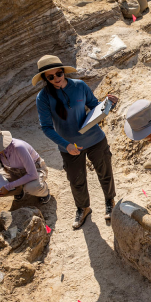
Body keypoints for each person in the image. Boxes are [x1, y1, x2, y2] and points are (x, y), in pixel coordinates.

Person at [33, 55, 118, 229]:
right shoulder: (43, 97)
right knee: (76, 180)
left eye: (59, 73)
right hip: (70, 146)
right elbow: (47, 127)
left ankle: (110, 201)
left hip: (95, 139)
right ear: (45, 79)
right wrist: (66, 145)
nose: (57, 78)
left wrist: (109, 105)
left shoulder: (80, 86)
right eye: (51, 77)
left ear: (63, 71)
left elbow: (94, 105)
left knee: (105, 172)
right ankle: (83, 208)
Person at [0, 126, 51, 203]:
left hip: (35, 169)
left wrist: (8, 187)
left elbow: (32, 174)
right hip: (13, 170)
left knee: (33, 187)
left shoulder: (18, 147)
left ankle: (44, 192)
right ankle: (19, 190)